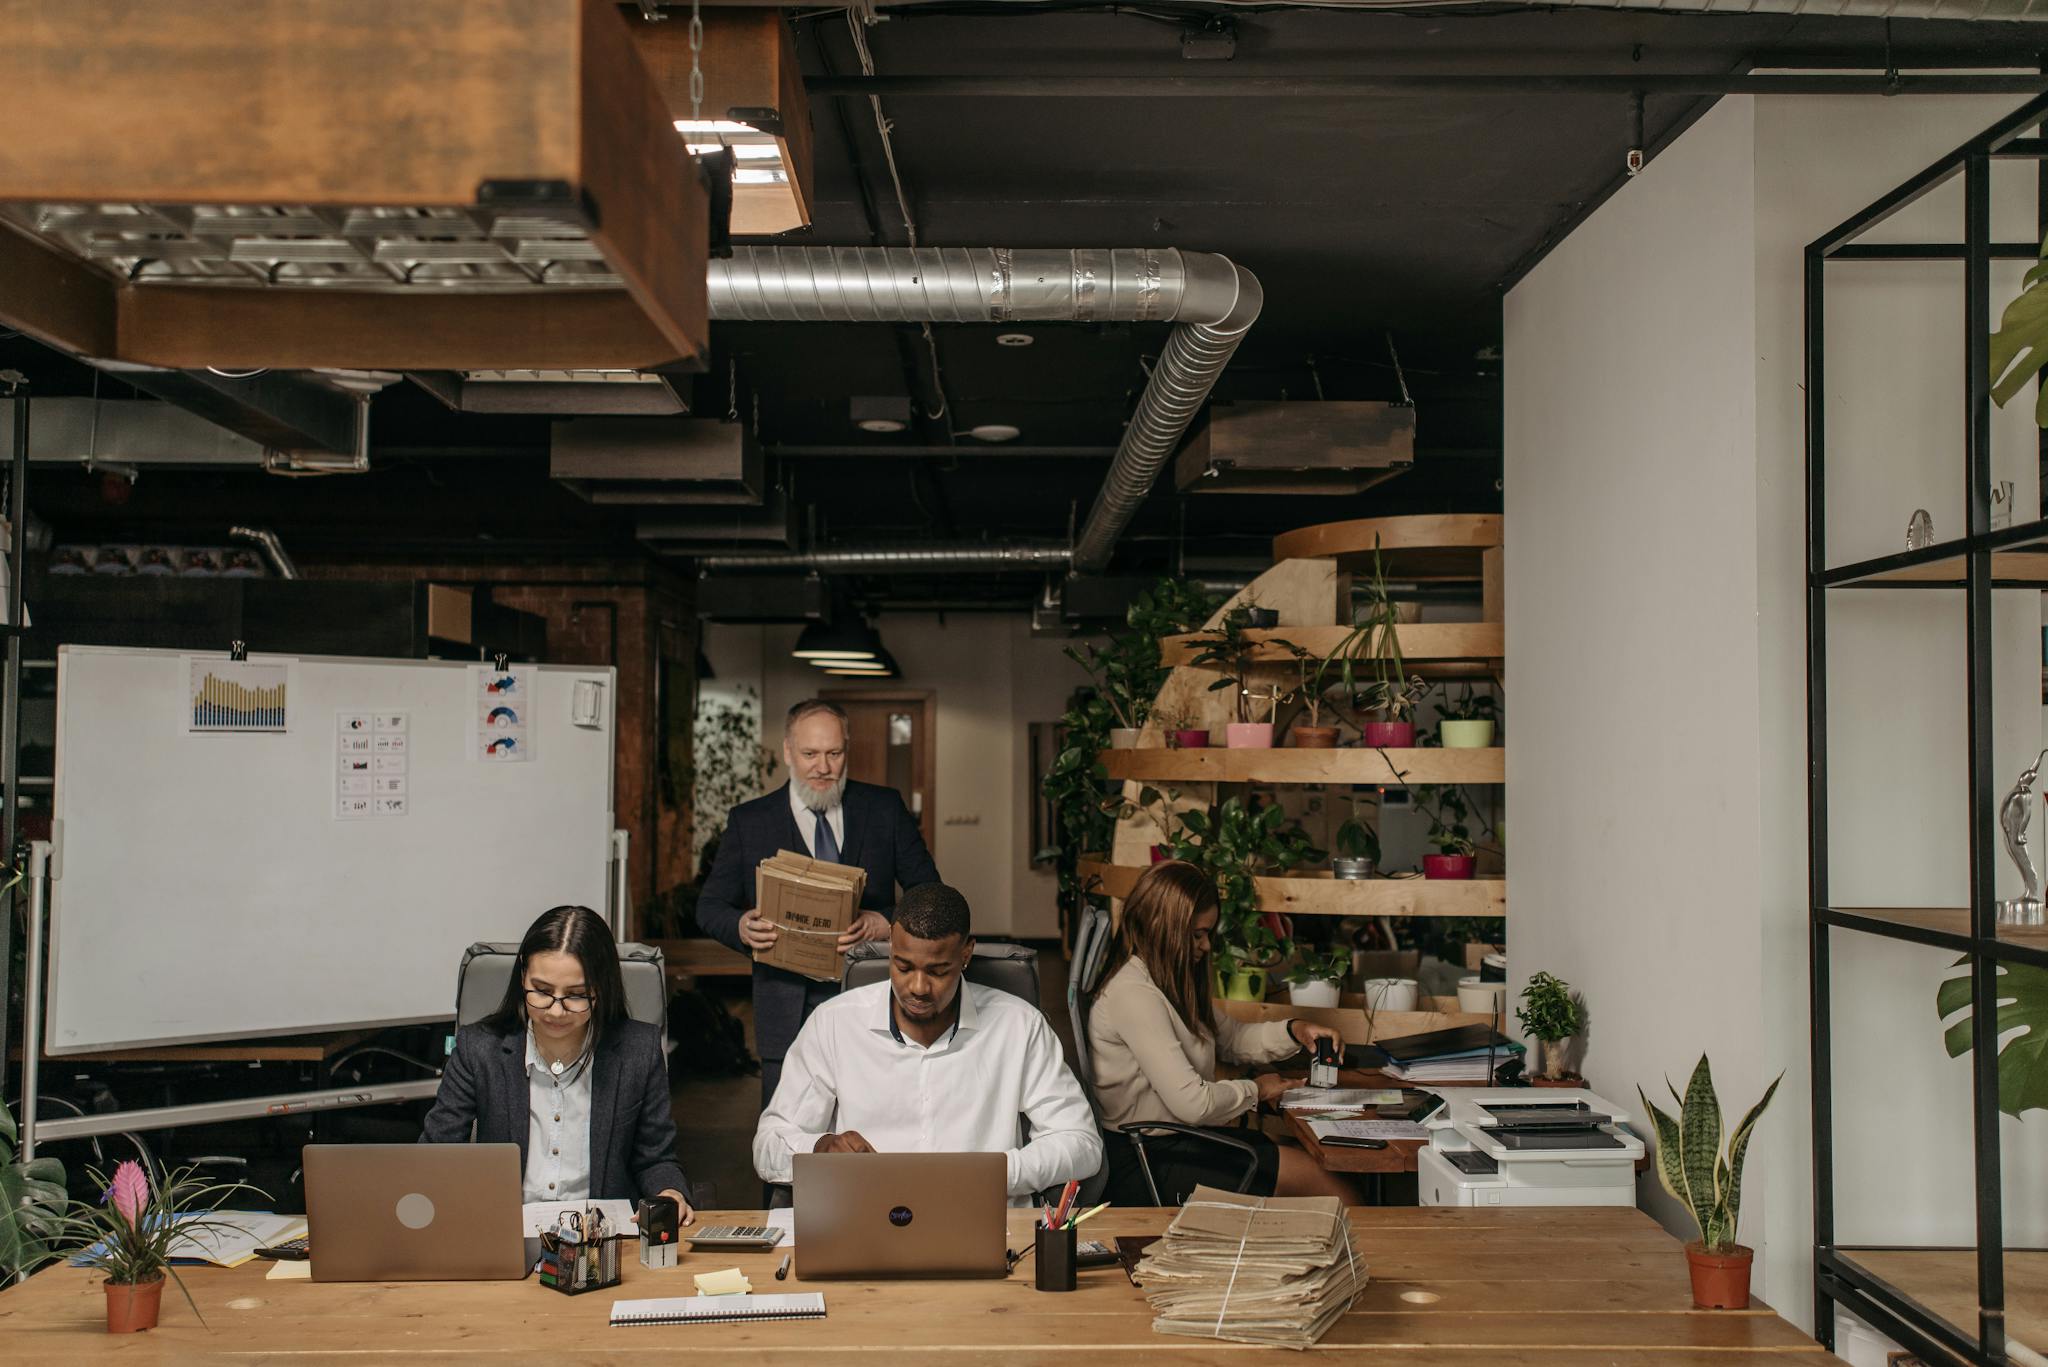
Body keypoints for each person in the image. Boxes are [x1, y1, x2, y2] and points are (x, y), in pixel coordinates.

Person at [752, 882, 1102, 1205]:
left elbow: (1082, 1143)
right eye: (904, 967)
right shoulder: (834, 1024)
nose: (918, 988)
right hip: (864, 1217)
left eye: (937, 971)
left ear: (966, 953)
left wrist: (993, 1174)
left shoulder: (1020, 1026)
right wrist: (819, 1149)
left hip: (984, 1219)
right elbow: (767, 1146)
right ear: (891, 944)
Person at [697, 698, 941, 1104]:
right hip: (783, 1007)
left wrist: (886, 922)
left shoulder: (885, 809)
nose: (823, 767)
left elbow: (931, 894)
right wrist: (742, 927)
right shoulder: (749, 821)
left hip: (872, 998)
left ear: (847, 750)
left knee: (874, 1121)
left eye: (834, 753)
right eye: (810, 754)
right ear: (788, 751)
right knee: (786, 1128)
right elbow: (709, 907)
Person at [1086, 860, 1359, 1205]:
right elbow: (1194, 1104)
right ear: (1163, 928)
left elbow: (1230, 1038)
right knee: (1333, 1187)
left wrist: (1295, 1030)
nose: (1205, 946)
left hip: (1178, 1141)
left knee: (1310, 1159)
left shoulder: (1163, 982)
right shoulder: (1134, 995)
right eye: (1196, 935)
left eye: (1207, 934)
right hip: (1149, 1160)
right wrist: (1257, 1089)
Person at [421, 905, 693, 1220]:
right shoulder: (479, 1049)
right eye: (542, 991)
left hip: (602, 1235)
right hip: (505, 1228)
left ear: (601, 989)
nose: (556, 1011)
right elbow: (437, 1155)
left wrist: (670, 1192)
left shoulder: (638, 1051)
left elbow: (655, 1159)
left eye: (576, 995)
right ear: (522, 977)